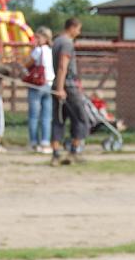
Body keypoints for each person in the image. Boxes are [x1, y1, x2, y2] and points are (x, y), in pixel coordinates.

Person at [50, 17, 89, 166]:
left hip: (57, 84)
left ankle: (56, 154)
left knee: (58, 120)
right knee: (80, 119)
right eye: (78, 29)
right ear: (72, 27)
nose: (78, 32)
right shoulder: (67, 43)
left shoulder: (57, 41)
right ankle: (73, 152)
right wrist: (61, 88)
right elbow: (62, 66)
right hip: (68, 86)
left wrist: (57, 87)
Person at [24, 26, 55, 153]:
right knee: (46, 116)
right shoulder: (52, 50)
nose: (36, 39)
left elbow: (27, 64)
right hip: (49, 84)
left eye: (38, 37)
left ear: (45, 38)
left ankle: (34, 142)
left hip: (37, 84)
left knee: (34, 116)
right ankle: (45, 141)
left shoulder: (38, 50)